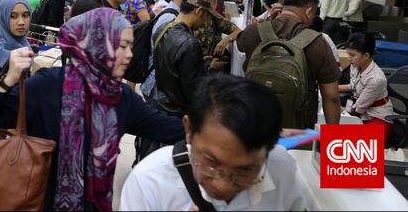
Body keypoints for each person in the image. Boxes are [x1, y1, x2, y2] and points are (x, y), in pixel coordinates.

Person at [0, 8, 185, 210]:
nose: (130, 54)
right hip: (36, 201)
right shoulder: (46, 87)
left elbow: (169, 128)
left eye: (130, 46)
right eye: (123, 46)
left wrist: (207, 129)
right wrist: (8, 80)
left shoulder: (120, 98)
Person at [120, 74, 309, 211]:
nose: (222, 186)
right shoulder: (150, 181)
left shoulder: (282, 170)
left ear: (267, 151)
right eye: (211, 161)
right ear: (189, 130)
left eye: (245, 170)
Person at [237, 0, 342, 127]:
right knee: (296, 151)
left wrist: (267, 23)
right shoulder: (318, 42)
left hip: (255, 121)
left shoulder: (254, 31)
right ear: (309, 11)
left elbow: (240, 45)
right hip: (297, 128)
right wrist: (333, 137)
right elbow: (332, 96)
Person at [338, 33, 394, 139]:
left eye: (352, 55)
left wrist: (339, 109)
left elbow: (358, 109)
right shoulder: (355, 66)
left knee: (337, 140)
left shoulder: (376, 79)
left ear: (366, 56)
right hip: (361, 114)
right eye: (348, 54)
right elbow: (353, 86)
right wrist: (331, 88)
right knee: (329, 136)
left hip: (377, 119)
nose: (349, 58)